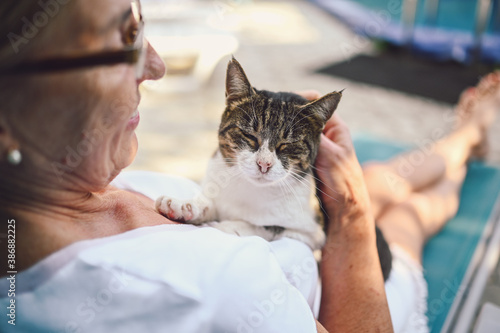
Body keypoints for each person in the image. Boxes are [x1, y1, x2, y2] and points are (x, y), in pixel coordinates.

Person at [0, 0, 498, 332]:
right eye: (124, 42)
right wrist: (350, 212)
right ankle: (468, 140)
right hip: (372, 286)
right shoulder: (212, 293)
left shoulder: (71, 189)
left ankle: (459, 138)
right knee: (410, 218)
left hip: (309, 235)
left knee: (377, 179)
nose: (157, 66)